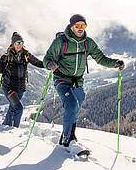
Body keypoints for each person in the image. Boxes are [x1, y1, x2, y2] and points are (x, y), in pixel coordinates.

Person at [43, 14, 124, 147]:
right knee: (71, 105)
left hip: (78, 81)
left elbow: (100, 58)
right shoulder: (61, 41)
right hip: (62, 79)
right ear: (71, 26)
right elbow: (47, 58)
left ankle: (69, 133)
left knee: (77, 105)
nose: (81, 28)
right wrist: (49, 64)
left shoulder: (88, 42)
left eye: (83, 25)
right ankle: (67, 140)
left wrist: (115, 63)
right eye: (78, 25)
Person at [0, 32, 45, 127]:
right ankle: (14, 129)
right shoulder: (6, 56)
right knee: (19, 108)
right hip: (9, 87)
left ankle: (5, 126)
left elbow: (38, 63)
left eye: (21, 43)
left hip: (20, 88)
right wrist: (1, 64)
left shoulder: (26, 55)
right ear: (13, 44)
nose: (19, 45)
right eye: (17, 43)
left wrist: (48, 65)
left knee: (12, 107)